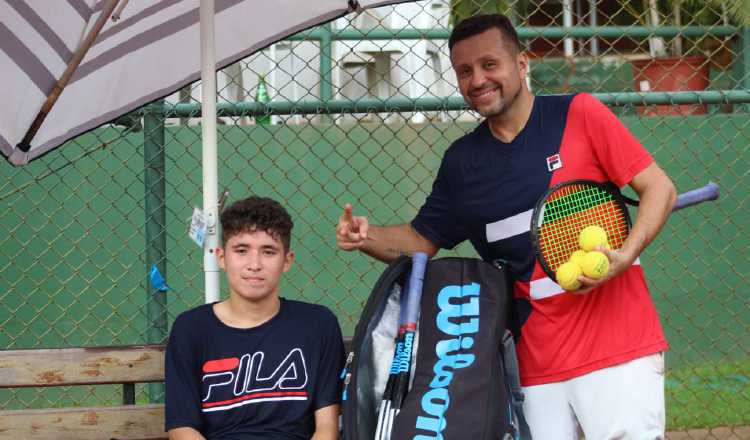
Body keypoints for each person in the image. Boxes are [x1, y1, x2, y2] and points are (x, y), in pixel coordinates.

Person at [336, 14, 677, 440]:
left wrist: (625, 257)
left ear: (521, 64)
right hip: (532, 366)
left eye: (489, 64)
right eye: (465, 71)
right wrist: (365, 236)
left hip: (618, 350)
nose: (477, 79)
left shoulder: (580, 114)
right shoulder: (462, 163)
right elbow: (420, 241)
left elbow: (659, 188)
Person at [166, 196, 345, 440]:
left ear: (287, 261)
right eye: (241, 250)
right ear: (221, 258)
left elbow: (327, 427)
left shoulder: (317, 324)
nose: (254, 264)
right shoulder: (191, 329)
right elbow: (183, 430)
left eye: (268, 251)